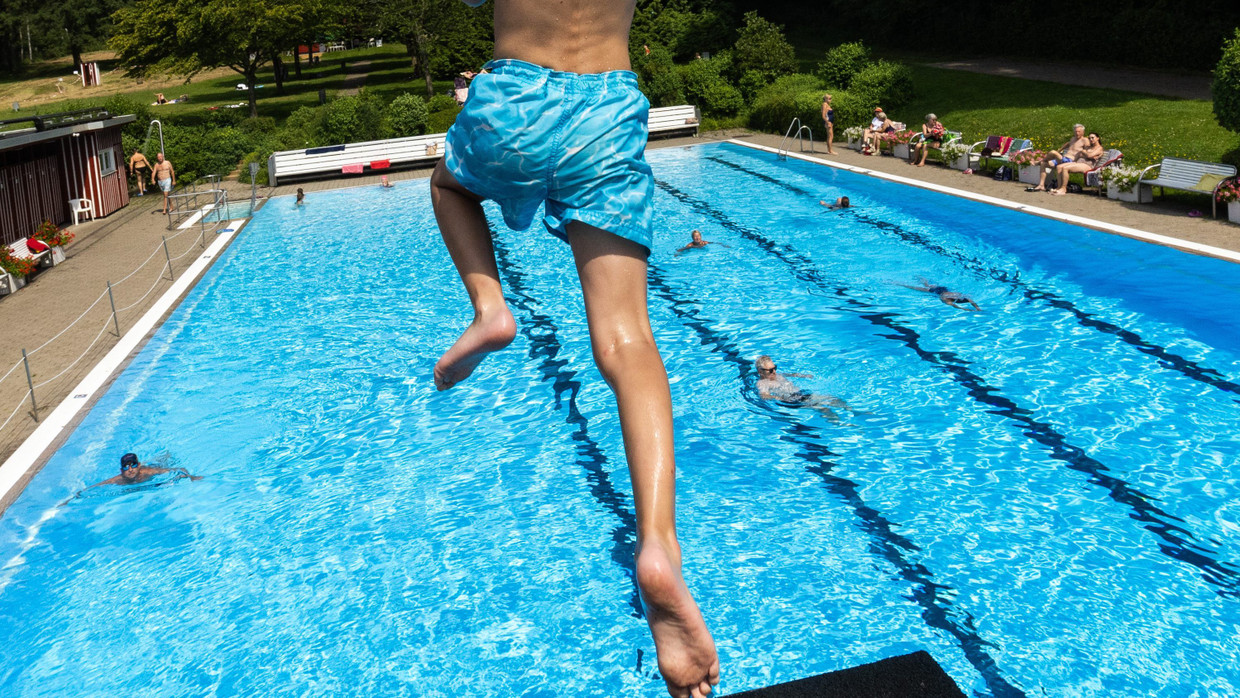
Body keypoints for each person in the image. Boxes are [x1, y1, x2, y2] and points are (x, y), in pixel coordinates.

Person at [429, 1, 719, 696]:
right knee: (628, 342)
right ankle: (658, 547)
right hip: (609, 109)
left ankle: (490, 309)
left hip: (516, 95)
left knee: (447, 185)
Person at [754, 356, 852, 422]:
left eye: (775, 367)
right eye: (771, 370)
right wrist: (776, 397)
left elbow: (790, 374)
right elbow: (763, 395)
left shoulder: (777, 374)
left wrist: (803, 376)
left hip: (800, 394)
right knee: (822, 408)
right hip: (791, 400)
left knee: (832, 399)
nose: (774, 371)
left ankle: (854, 411)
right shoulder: (762, 383)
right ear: (760, 371)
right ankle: (840, 424)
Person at [83, 453, 202, 490]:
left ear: (138, 466)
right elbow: (93, 487)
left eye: (133, 465)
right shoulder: (118, 480)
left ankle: (164, 456)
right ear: (121, 470)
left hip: (154, 467)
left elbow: (179, 469)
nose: (130, 470)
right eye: (126, 467)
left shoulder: (148, 472)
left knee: (164, 461)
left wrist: (192, 477)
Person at [1029, 124, 1088, 192]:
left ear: (1083, 132)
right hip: (1063, 159)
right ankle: (1041, 185)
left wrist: (1082, 157)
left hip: (1070, 161)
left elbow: (1087, 150)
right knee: (1043, 163)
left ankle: (1037, 162)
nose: (1077, 133)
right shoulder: (1073, 139)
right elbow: (1068, 144)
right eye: (1075, 131)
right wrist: (1060, 150)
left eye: (1079, 132)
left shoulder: (1085, 140)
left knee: (1053, 152)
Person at [900, 280, 981, 311]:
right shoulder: (946, 299)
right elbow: (953, 305)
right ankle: (901, 283)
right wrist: (963, 308)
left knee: (927, 285)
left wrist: (977, 308)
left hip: (943, 289)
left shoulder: (957, 295)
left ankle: (922, 279)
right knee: (916, 287)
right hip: (936, 291)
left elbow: (970, 300)